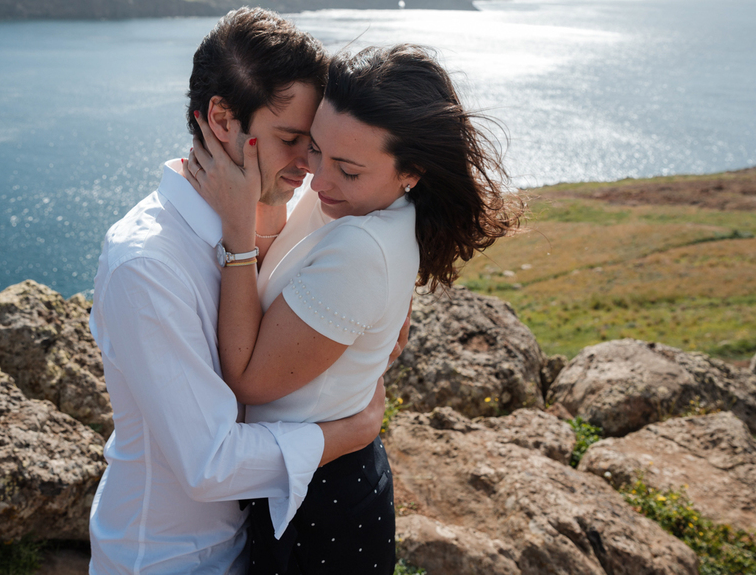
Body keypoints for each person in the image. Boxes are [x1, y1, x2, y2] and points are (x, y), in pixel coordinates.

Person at [186, 43, 519, 574]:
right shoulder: (362, 201)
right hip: (307, 473)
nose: (318, 180)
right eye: (315, 148)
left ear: (412, 172)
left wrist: (236, 228)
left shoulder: (364, 246)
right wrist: (264, 194)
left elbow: (248, 379)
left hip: (320, 504)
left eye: (348, 168)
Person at [87, 8, 389, 575]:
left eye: (317, 142)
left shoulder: (300, 208)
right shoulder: (146, 265)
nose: (310, 166)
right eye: (291, 139)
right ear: (222, 118)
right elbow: (209, 461)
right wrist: (351, 432)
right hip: (166, 557)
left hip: (265, 545)